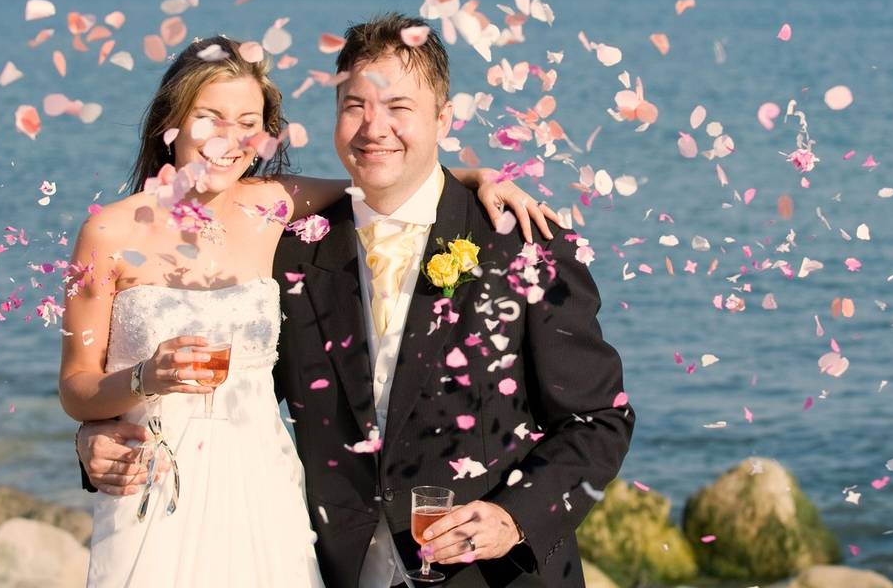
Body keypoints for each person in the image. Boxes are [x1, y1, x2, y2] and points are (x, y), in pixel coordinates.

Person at [61, 34, 553, 587]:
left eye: (248, 122)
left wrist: (474, 176)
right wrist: (143, 379)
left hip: (264, 484)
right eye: (209, 117)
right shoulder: (107, 233)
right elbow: (77, 388)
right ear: (170, 119)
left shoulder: (272, 208)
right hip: (153, 486)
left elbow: (385, 179)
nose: (229, 139)